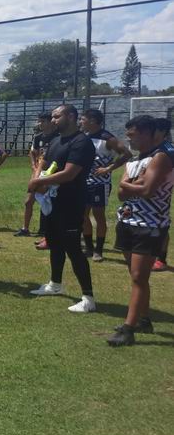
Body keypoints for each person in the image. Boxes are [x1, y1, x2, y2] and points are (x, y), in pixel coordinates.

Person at [107, 115, 174, 346]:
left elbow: (147, 190)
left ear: (147, 133)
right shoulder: (134, 160)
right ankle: (143, 319)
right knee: (136, 276)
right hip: (128, 221)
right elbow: (121, 192)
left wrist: (130, 185)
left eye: (133, 135)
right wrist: (132, 184)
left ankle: (128, 329)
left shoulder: (161, 157)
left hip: (150, 224)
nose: (129, 140)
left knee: (138, 277)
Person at [28, 104, 97, 313]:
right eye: (53, 117)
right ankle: (55, 284)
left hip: (71, 202)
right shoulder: (56, 140)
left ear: (71, 116)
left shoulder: (81, 142)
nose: (53, 120)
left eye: (57, 116)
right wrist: (37, 180)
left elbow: (70, 173)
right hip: (52, 202)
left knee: (73, 249)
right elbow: (44, 161)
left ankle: (88, 297)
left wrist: (40, 181)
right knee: (55, 243)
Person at [80, 108, 131, 262]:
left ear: (93, 121)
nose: (81, 122)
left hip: (99, 184)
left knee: (98, 215)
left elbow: (127, 154)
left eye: (83, 119)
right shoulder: (85, 137)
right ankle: (89, 248)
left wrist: (109, 168)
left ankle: (98, 250)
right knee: (82, 215)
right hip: (83, 182)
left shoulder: (108, 138)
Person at [16, 113, 57, 243]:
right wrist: (34, 166)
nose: (40, 124)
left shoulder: (57, 137)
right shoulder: (38, 137)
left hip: (51, 173)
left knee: (47, 202)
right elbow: (32, 152)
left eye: (43, 121)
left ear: (51, 122)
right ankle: (25, 228)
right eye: (39, 121)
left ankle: (47, 230)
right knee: (29, 201)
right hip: (37, 173)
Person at [151, 117, 172, 272]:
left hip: (162, 191)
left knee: (162, 223)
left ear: (162, 132)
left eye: (154, 130)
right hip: (153, 190)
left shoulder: (168, 150)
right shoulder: (154, 148)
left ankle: (161, 259)